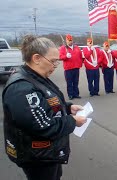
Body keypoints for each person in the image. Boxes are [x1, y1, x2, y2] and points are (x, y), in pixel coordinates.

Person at [2, 35, 87, 180]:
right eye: (53, 61)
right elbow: (42, 126)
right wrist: (72, 121)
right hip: (36, 156)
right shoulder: (22, 88)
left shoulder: (35, 77)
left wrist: (67, 108)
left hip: (46, 153)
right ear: (36, 58)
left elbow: (45, 103)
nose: (55, 66)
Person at [59, 34, 83, 100]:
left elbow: (80, 56)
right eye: (69, 40)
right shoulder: (63, 48)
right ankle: (70, 94)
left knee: (76, 82)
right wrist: (66, 56)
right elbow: (60, 57)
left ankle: (76, 94)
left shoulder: (76, 47)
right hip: (68, 69)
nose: (70, 42)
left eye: (71, 40)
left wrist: (80, 64)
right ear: (66, 40)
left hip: (76, 67)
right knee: (69, 82)